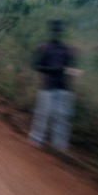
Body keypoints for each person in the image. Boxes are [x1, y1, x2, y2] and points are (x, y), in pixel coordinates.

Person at [28, 20, 77, 152]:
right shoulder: (44, 48)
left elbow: (71, 69)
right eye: (55, 29)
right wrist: (53, 69)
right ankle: (36, 142)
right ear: (51, 31)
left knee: (61, 118)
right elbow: (37, 66)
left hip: (62, 88)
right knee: (43, 115)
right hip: (48, 87)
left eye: (58, 29)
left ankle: (59, 147)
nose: (56, 32)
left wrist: (66, 71)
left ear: (60, 31)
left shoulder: (67, 49)